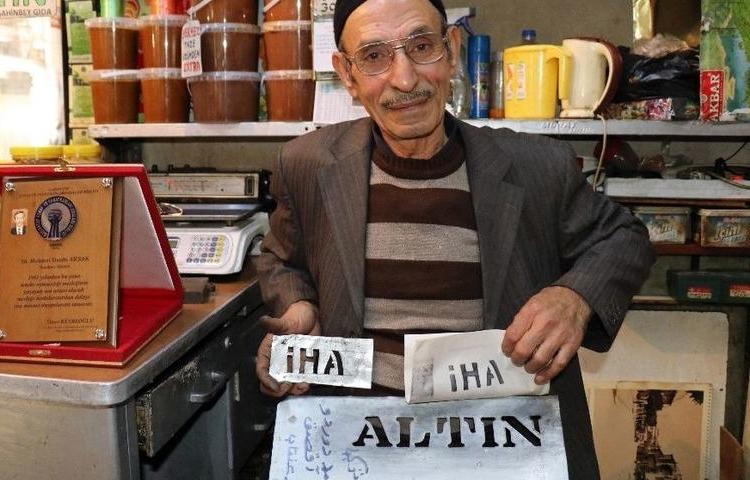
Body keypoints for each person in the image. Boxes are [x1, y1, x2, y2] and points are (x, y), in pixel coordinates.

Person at [255, 0, 655, 477]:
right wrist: (299, 308)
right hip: (357, 446)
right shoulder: (307, 164)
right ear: (347, 74)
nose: (405, 80)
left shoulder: (536, 167)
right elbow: (282, 259)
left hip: (503, 449)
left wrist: (574, 297)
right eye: (375, 57)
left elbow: (624, 237)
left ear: (451, 52)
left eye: (422, 47)